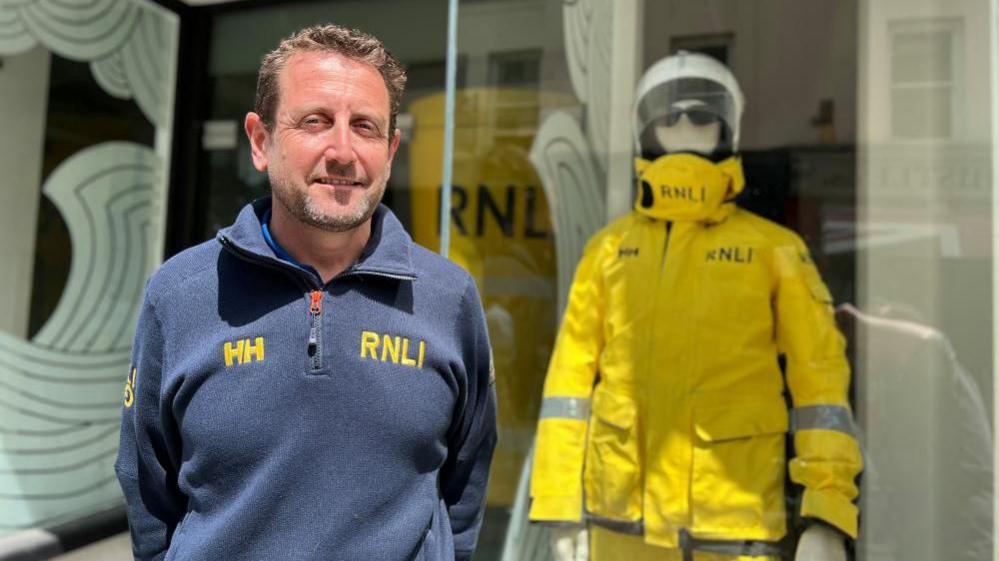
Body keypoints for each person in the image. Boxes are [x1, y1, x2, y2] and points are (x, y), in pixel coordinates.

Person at [114, 24, 497, 561]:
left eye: (364, 127)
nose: (343, 151)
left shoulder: (449, 298)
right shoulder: (179, 294)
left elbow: (465, 481)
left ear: (390, 150)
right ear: (260, 140)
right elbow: (148, 492)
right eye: (315, 121)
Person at [528, 52, 862, 561]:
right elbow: (568, 390)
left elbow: (822, 393)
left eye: (703, 115)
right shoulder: (608, 252)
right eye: (669, 115)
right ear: (644, 128)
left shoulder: (774, 251)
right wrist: (557, 503)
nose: (684, 125)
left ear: (729, 128)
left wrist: (828, 513)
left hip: (732, 529)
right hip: (619, 528)